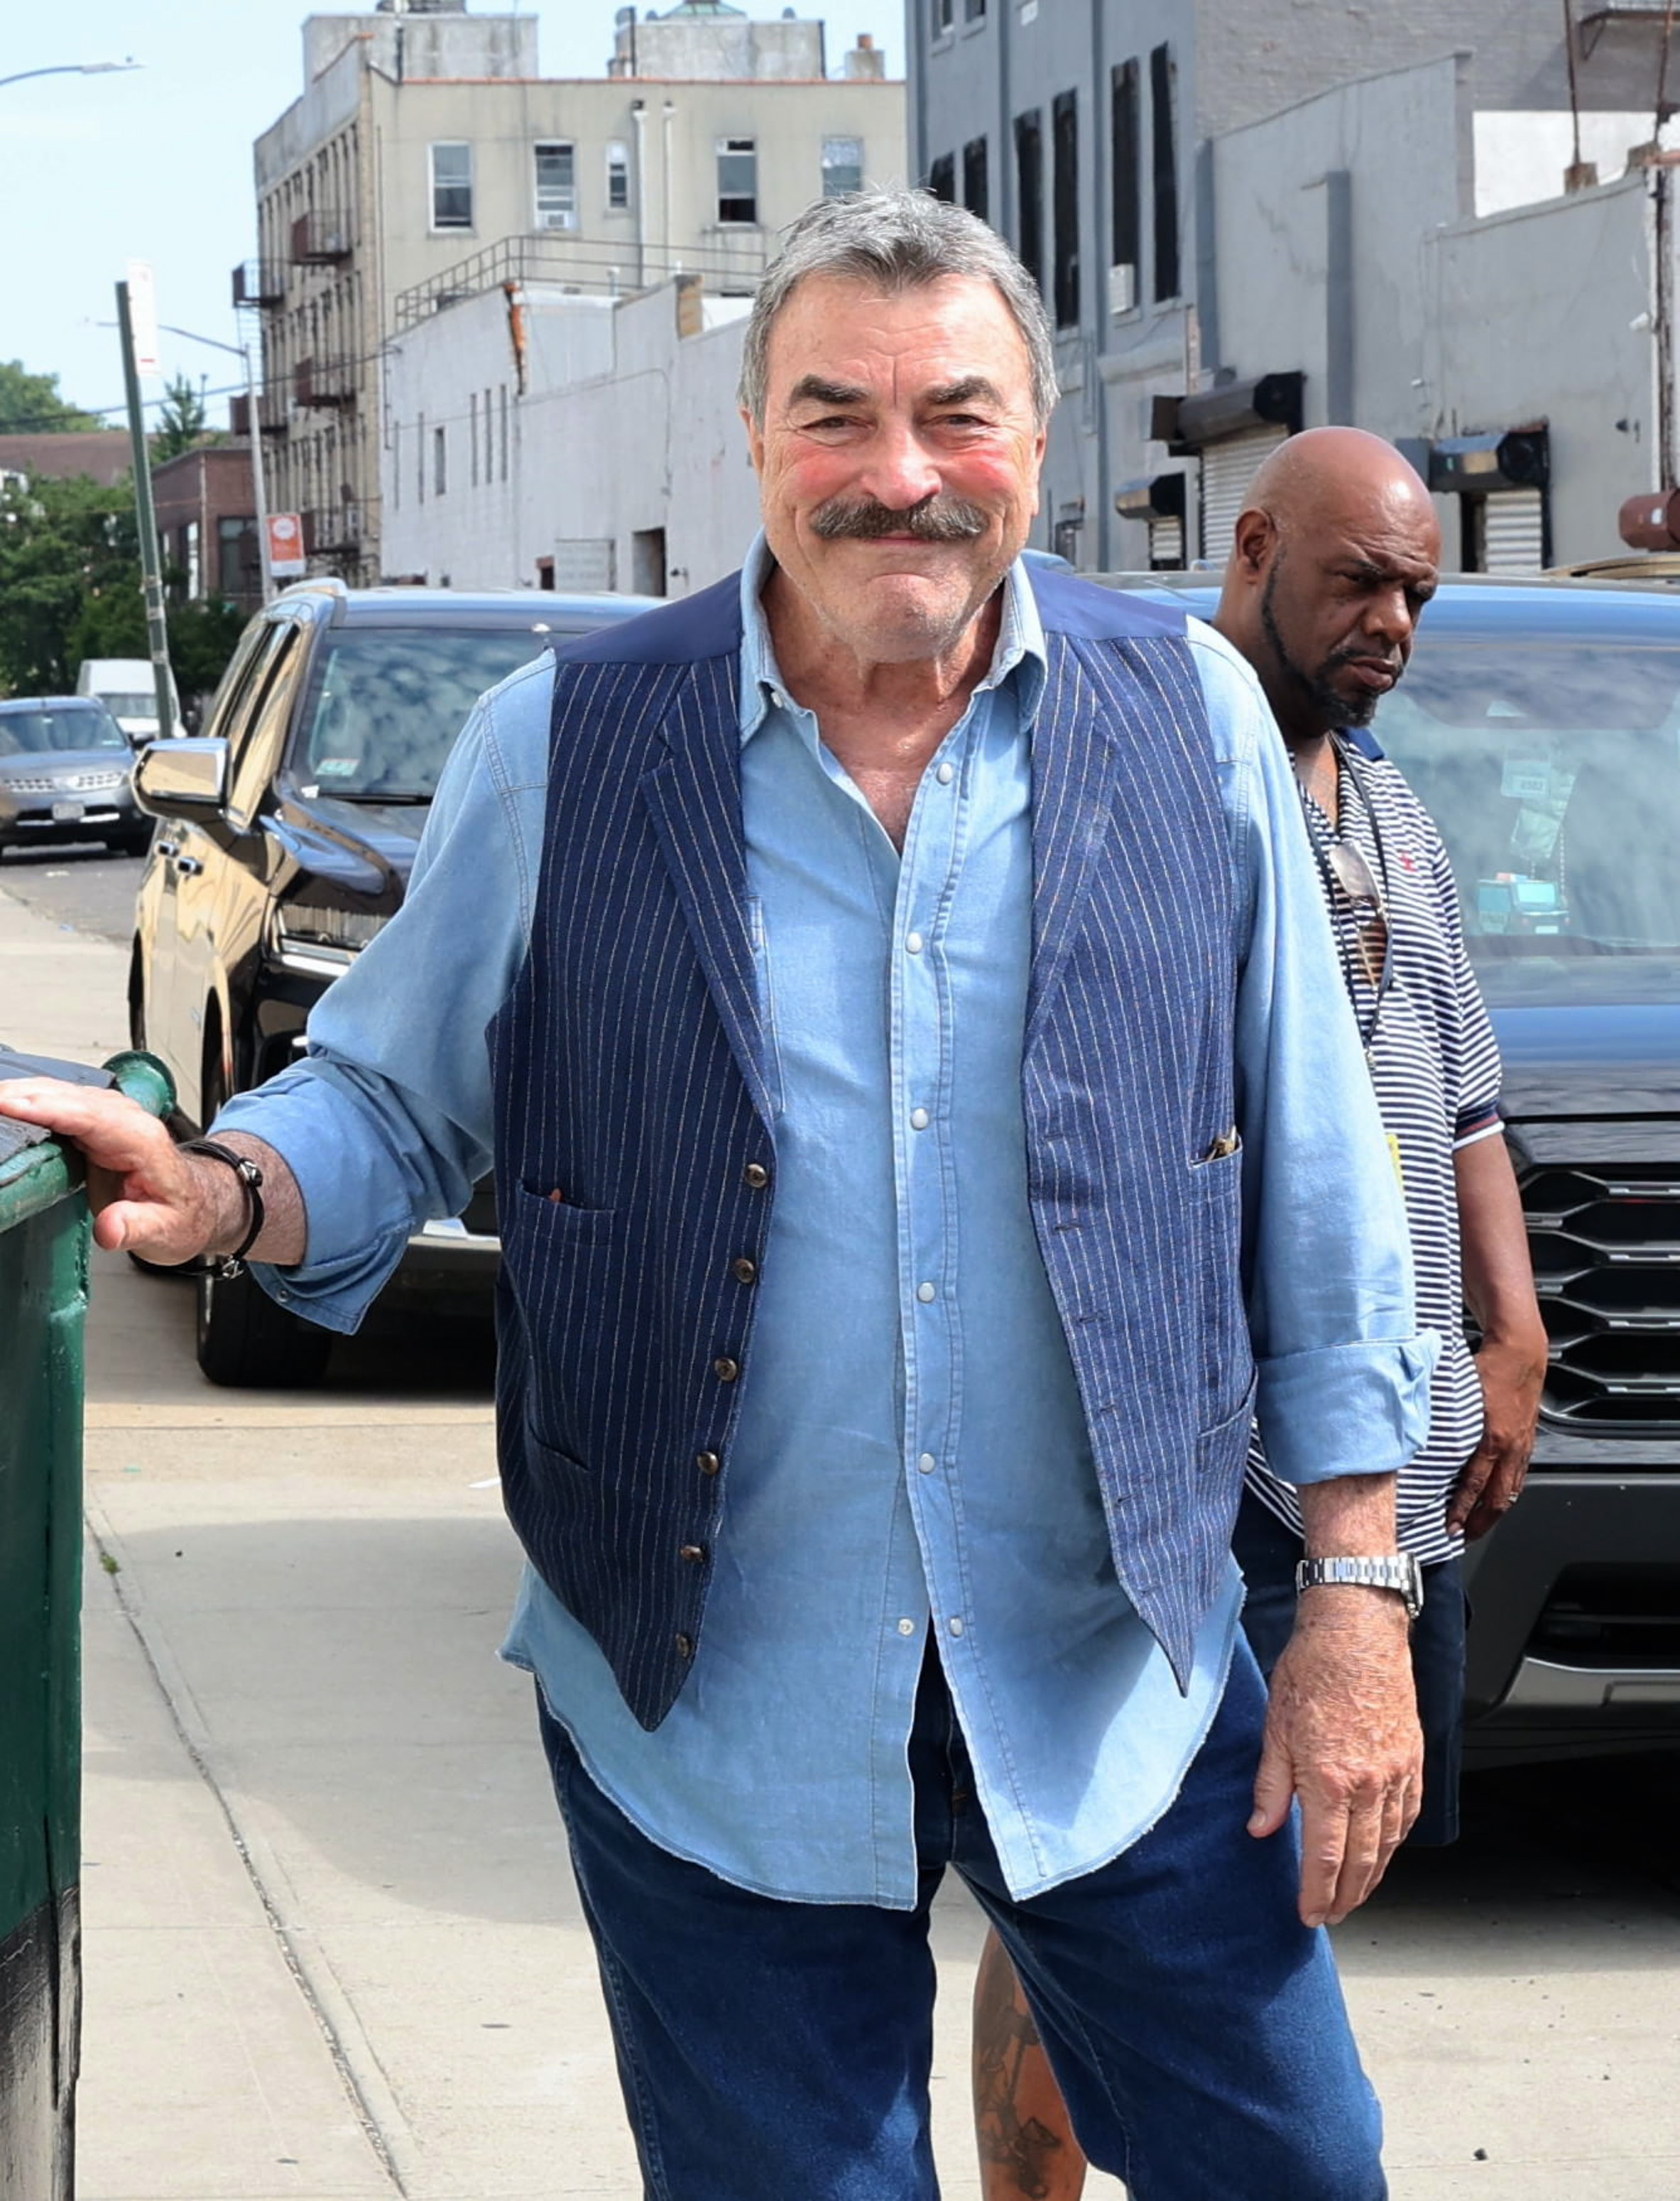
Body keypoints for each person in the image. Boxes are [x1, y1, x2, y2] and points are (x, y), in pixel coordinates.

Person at [0, 198, 1439, 2201]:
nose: (898, 474)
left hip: (1121, 1671)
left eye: (955, 413)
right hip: (708, 1693)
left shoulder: (1183, 722)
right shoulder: (569, 743)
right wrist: (230, 1184)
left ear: (1040, 439)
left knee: (1305, 2171)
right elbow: (391, 1098)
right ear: (751, 441)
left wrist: (1354, 1593)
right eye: (833, 414)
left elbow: (1311, 1162)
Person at [970, 427, 1547, 2201]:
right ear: (1250, 544)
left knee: (1294, 1870)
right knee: (1110, 1869)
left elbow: (1460, 1099)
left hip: (1383, 1446)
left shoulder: (1389, 807)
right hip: (1193, 1437)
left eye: (1417, 594)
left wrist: (1506, 1334)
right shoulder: (1137, 768)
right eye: (1359, 580)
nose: (1390, 621)